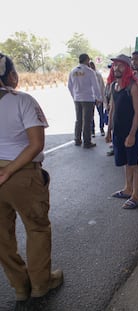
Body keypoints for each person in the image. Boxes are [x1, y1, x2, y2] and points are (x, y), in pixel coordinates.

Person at [0, 53, 63, 301]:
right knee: (36, 229)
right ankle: (40, 283)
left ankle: (20, 287)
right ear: (12, 76)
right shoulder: (22, 101)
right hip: (22, 175)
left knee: (2, 236)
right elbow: (36, 144)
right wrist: (9, 170)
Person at [105, 54, 138, 209]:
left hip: (131, 131)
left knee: (134, 163)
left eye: (121, 65)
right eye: (115, 65)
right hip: (119, 131)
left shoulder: (133, 86)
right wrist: (109, 130)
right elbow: (112, 109)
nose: (116, 68)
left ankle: (136, 195)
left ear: (127, 68)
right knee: (126, 162)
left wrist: (133, 134)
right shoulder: (114, 85)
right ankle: (128, 189)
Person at [68, 53, 102, 148]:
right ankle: (87, 141)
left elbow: (69, 86)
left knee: (78, 120)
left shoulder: (73, 71)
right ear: (87, 60)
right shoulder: (90, 71)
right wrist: (99, 98)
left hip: (77, 99)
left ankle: (77, 139)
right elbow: (96, 86)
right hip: (88, 99)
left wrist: (74, 96)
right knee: (87, 120)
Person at [89, 61, 106, 137]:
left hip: (98, 98)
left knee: (101, 114)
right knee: (91, 115)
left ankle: (101, 128)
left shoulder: (98, 75)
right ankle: (92, 130)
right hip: (90, 98)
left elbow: (102, 87)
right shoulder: (87, 75)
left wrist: (102, 98)